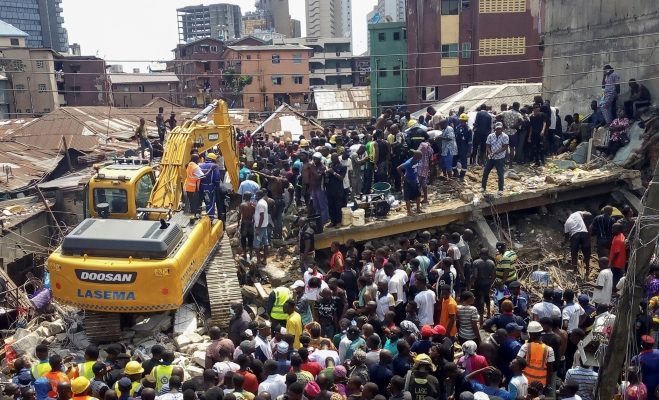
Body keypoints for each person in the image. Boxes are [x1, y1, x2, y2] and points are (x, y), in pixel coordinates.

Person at [518, 321, 555, 391]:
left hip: (526, 381)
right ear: (541, 332)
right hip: (541, 384)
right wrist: (548, 384)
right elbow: (550, 369)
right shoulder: (549, 349)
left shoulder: (525, 346)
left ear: (530, 334)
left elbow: (518, 360)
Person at [482, 122, 509, 196]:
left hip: (500, 158)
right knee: (485, 172)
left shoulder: (505, 136)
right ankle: (483, 187)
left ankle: (500, 189)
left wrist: (496, 152)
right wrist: (490, 152)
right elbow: (487, 145)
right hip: (491, 158)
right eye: (497, 129)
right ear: (495, 129)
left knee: (500, 174)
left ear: (502, 128)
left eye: (500, 128)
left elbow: (505, 147)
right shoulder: (490, 136)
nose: (499, 130)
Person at [563, 211, 592, 275]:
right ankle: (587, 270)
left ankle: (575, 271)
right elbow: (589, 214)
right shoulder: (577, 213)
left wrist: (563, 243)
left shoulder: (566, 223)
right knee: (586, 254)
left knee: (574, 254)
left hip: (575, 236)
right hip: (584, 234)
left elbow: (566, 237)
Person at [632, 335, 659, 400]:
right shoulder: (658, 352)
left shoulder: (637, 359)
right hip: (656, 388)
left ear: (642, 345)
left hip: (644, 390)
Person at [472, 248, 496, 321]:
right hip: (487, 283)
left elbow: (475, 275)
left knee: (480, 300)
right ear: (488, 254)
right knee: (487, 297)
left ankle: (481, 319)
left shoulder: (476, 262)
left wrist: (472, 282)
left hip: (479, 283)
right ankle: (488, 314)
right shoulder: (491, 262)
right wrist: (490, 282)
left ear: (480, 254)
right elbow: (493, 276)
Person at [397, 150, 422, 216]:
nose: (421, 158)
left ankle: (418, 209)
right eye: (420, 157)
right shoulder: (408, 163)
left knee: (418, 195)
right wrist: (404, 177)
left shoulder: (417, 160)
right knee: (407, 197)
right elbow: (398, 168)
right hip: (408, 181)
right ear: (416, 156)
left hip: (415, 180)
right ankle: (409, 212)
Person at [326, 154, 347, 228]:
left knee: (338, 206)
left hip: (338, 189)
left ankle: (338, 222)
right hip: (329, 189)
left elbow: (341, 178)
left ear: (337, 158)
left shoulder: (343, 167)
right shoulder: (330, 165)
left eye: (334, 158)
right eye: (331, 158)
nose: (332, 160)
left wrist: (333, 172)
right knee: (331, 206)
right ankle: (332, 221)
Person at [503, 102, 523, 167]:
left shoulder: (505, 112)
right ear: (517, 107)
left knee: (503, 148)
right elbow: (522, 121)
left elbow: (497, 116)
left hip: (505, 133)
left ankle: (503, 163)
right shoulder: (518, 114)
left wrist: (503, 124)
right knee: (512, 149)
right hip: (513, 133)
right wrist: (515, 125)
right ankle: (510, 164)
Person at [454, 113, 473, 182]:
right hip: (456, 146)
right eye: (461, 120)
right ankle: (455, 173)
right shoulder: (457, 127)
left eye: (464, 121)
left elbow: (470, 141)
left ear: (466, 121)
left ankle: (462, 176)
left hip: (464, 147)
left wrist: (469, 151)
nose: (462, 122)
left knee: (464, 162)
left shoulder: (468, 129)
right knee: (454, 161)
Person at [253, 190, 270, 265]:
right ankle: (265, 260)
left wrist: (258, 228)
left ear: (258, 196)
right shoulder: (263, 201)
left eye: (256, 195)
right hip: (264, 225)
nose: (255, 197)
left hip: (260, 227)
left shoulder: (260, 204)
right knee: (265, 242)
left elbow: (262, 216)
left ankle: (259, 260)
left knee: (256, 244)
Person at [609, 223, 627, 288]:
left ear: (619, 229)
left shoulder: (618, 239)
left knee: (615, 277)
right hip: (620, 262)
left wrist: (611, 263)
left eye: (614, 228)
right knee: (618, 276)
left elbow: (616, 252)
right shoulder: (620, 236)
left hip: (616, 263)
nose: (612, 230)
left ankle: (615, 290)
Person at [417, 139, 433, 203]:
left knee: (418, 184)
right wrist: (429, 168)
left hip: (419, 166)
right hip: (426, 166)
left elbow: (417, 153)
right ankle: (425, 198)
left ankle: (417, 198)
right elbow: (431, 159)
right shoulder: (430, 149)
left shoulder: (422, 144)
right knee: (424, 183)